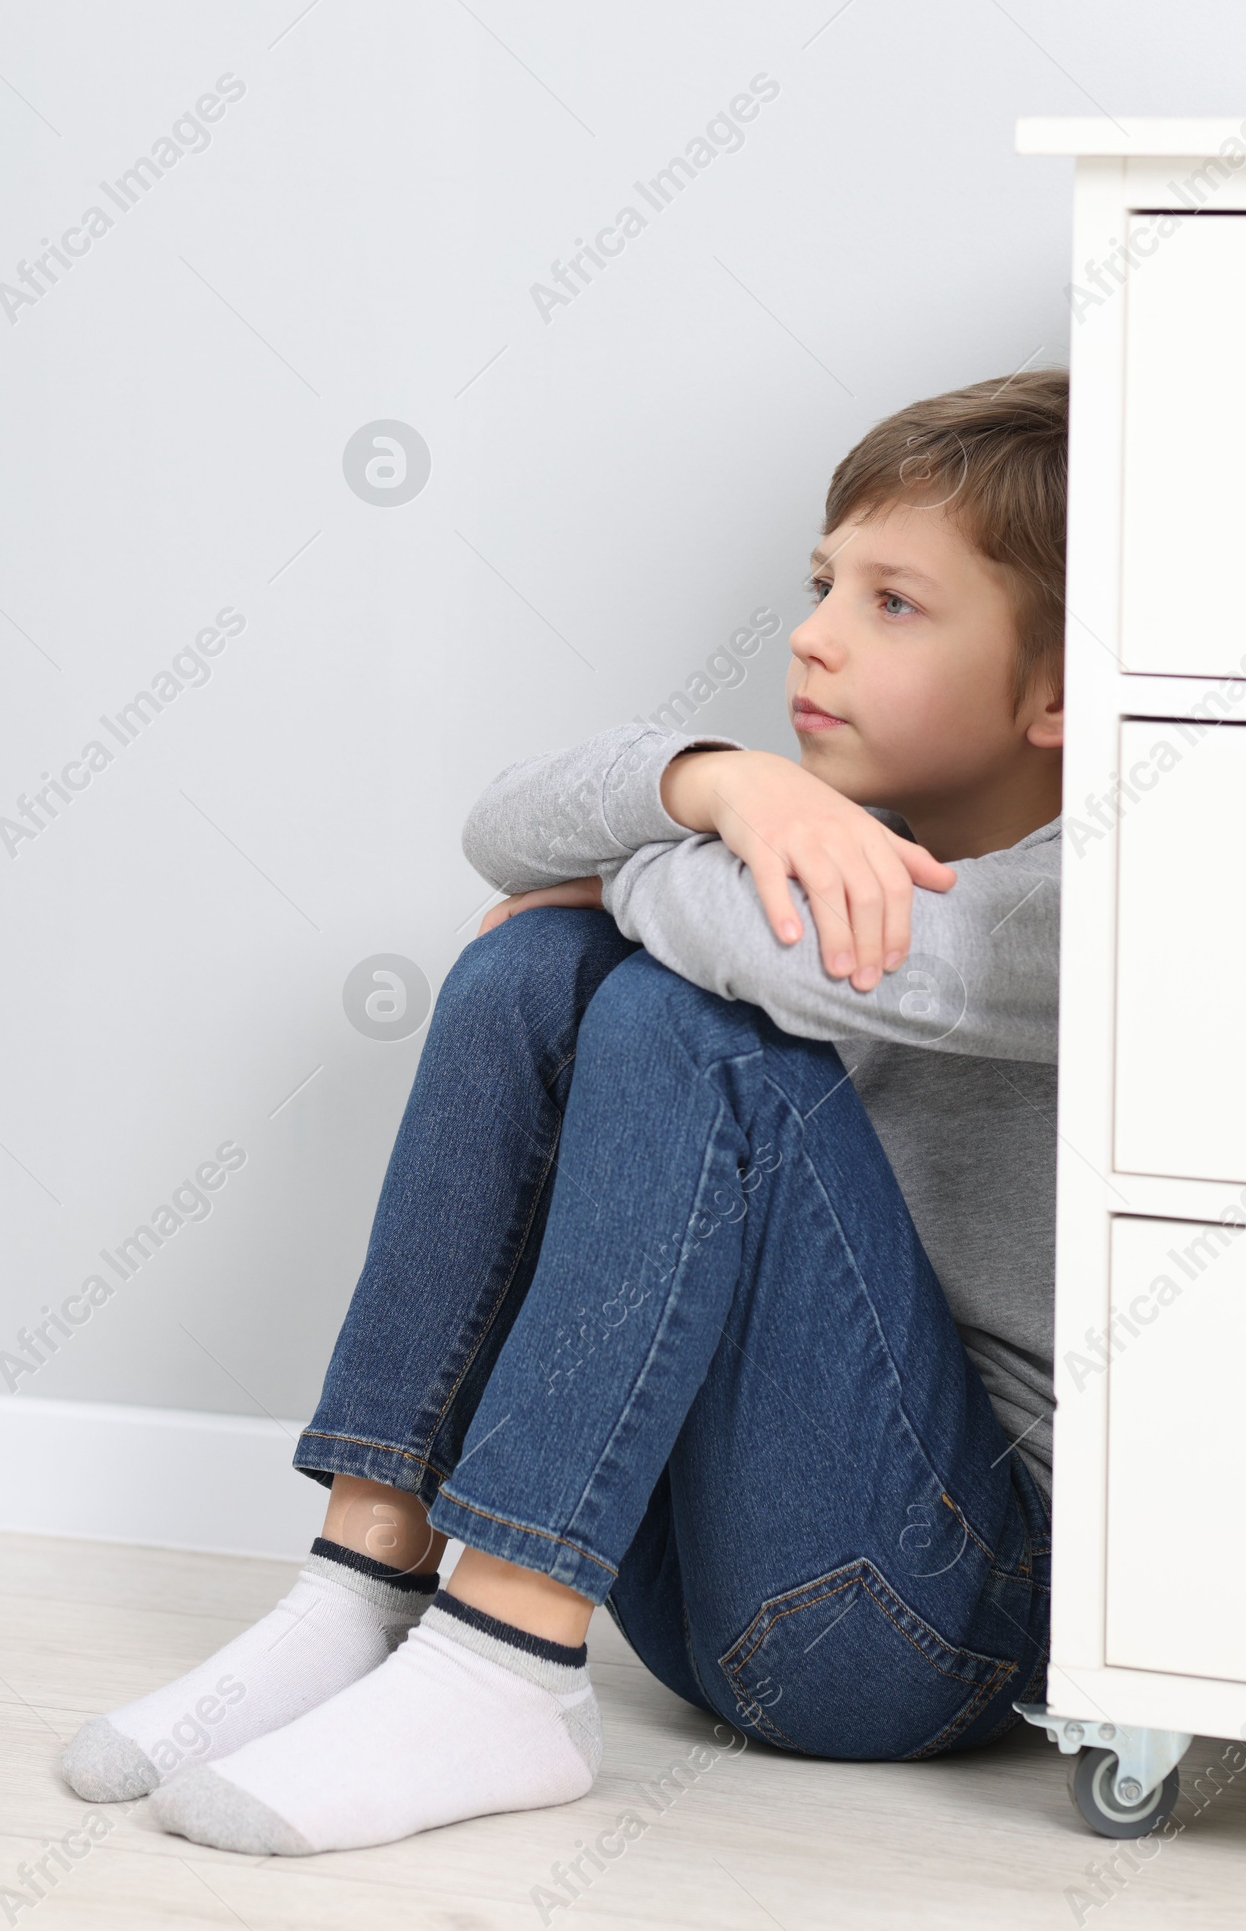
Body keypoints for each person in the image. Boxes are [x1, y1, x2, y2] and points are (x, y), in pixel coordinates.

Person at [58, 368, 1067, 1858]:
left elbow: (750, 949)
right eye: (822, 583)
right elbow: (507, 822)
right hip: (704, 1568)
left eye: (895, 604)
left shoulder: (1088, 914)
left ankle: (506, 1664)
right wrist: (715, 781)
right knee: (539, 959)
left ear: (1059, 693)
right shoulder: (818, 836)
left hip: (935, 1619)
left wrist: (636, 868)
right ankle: (368, 1584)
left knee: (676, 1008)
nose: (813, 632)